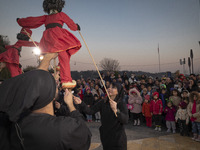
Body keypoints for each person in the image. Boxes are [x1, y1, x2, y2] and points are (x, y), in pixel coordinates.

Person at [0, 53, 91, 150]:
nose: (57, 87)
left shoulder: (11, 123)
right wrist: (71, 106)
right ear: (50, 96)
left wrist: (46, 61)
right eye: (54, 86)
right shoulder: (62, 130)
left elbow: (32, 84)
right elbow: (84, 134)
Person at [17, 0, 81, 89]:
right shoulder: (61, 15)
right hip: (58, 36)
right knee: (64, 55)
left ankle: (44, 75)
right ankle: (66, 80)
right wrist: (76, 27)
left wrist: (21, 21)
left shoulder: (46, 17)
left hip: (48, 39)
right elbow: (71, 24)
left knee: (48, 58)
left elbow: (33, 20)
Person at [74, 82, 129, 150]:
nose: (109, 89)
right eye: (109, 87)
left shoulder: (121, 104)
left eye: (113, 87)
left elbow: (125, 120)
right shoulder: (103, 102)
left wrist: (116, 110)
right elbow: (90, 111)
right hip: (106, 137)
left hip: (118, 138)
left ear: (118, 91)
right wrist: (81, 103)